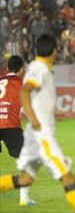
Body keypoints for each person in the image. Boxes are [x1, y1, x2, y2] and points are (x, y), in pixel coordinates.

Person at [0, 34, 75, 213]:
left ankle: (24, 199)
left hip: (30, 131)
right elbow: (25, 93)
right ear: (55, 51)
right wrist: (34, 121)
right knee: (68, 178)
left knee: (25, 178)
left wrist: (54, 113)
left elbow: (37, 100)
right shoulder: (39, 69)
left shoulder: (41, 69)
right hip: (37, 133)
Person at [0, 55, 35, 206]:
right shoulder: (22, 84)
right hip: (10, 124)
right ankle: (24, 199)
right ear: (21, 69)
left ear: (7, 68)